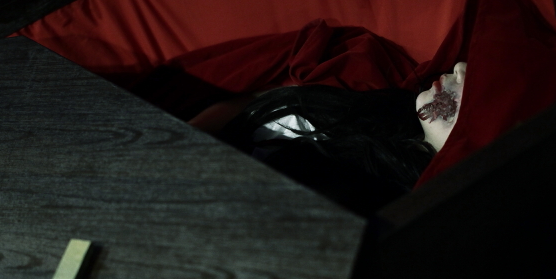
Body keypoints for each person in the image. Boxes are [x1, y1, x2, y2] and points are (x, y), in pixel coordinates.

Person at [182, 62, 467, 215]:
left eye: (476, 81)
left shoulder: (381, 197)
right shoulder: (387, 108)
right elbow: (255, 103)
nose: (459, 67)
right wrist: (185, 135)